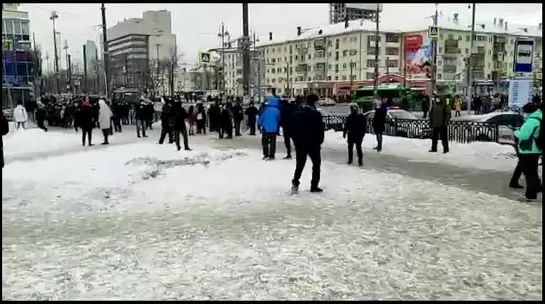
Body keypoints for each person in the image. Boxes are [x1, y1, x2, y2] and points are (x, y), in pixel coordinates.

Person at [290, 94, 324, 194]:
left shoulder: (296, 114)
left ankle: (295, 184)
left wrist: (296, 141)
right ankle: (314, 186)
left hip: (301, 144)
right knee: (316, 165)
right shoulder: (316, 115)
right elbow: (320, 130)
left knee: (299, 165)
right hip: (314, 144)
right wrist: (319, 141)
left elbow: (292, 130)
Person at [513, 102, 543, 201]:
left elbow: (524, 135)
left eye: (524, 112)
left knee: (529, 174)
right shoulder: (539, 118)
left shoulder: (531, 121)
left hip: (528, 149)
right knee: (533, 172)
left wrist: (516, 132)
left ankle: (530, 195)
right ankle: (535, 189)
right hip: (536, 149)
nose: (523, 114)